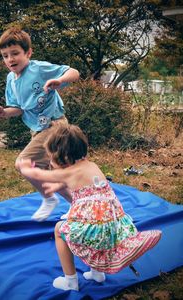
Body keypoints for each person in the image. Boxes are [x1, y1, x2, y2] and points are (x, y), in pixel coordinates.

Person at [18, 123, 162, 292]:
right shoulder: (91, 166)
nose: (49, 162)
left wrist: (25, 167)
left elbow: (39, 175)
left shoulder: (68, 173)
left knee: (59, 230)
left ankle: (70, 281)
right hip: (114, 227)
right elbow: (82, 185)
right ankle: (97, 274)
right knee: (94, 232)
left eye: (50, 158)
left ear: (62, 158)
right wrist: (56, 187)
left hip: (97, 230)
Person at [0, 27, 79, 221]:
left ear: (28, 53)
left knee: (23, 163)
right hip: (38, 131)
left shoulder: (38, 68)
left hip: (55, 127)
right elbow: (19, 108)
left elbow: (74, 72)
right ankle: (78, 206)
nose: (10, 59)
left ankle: (49, 199)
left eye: (15, 54)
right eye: (5, 56)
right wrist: (4, 112)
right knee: (51, 173)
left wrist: (60, 80)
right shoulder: (10, 80)